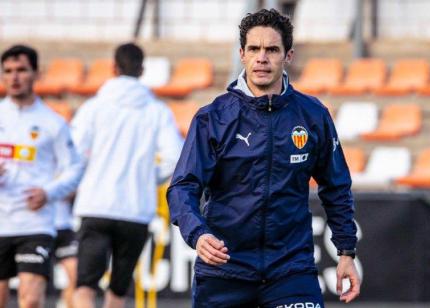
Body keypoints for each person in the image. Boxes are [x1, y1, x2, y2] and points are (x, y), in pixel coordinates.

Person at [168, 8, 361, 308]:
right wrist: (198, 234)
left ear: (288, 56)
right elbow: (182, 187)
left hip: (290, 270)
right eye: (255, 49)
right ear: (242, 54)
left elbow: (336, 186)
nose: (262, 57)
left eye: (272, 49)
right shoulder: (213, 118)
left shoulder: (312, 115)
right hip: (225, 270)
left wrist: (346, 252)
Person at [70, 42, 182, 308]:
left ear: (114, 67)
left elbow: (73, 153)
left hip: (96, 205)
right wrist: (148, 178)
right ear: (142, 69)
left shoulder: (93, 108)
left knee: (85, 287)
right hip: (135, 210)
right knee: (119, 290)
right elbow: (174, 157)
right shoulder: (157, 111)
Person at [0, 45, 83, 308]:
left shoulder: (53, 123)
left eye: (22, 70)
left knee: (31, 300)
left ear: (36, 74)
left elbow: (75, 168)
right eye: (8, 71)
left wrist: (49, 192)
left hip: (35, 224)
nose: (14, 77)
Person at [53, 196, 78, 308]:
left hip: (65, 227)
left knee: (76, 274)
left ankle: (65, 304)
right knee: (32, 283)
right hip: (35, 229)